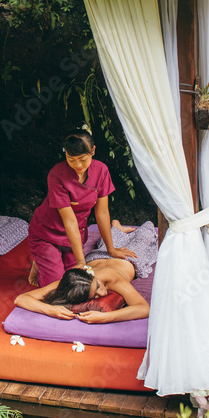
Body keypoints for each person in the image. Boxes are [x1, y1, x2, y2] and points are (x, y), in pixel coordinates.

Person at [27, 129, 136, 288]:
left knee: (77, 282)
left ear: (93, 151)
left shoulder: (101, 171)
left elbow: (102, 212)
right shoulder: (56, 175)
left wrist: (111, 249)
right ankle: (41, 259)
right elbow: (69, 220)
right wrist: (81, 261)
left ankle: (43, 262)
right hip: (46, 234)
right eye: (71, 159)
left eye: (82, 159)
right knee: (58, 286)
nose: (77, 165)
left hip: (74, 235)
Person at [14, 258, 149, 324]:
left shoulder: (114, 279)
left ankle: (116, 225)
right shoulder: (73, 281)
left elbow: (144, 308)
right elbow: (21, 298)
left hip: (129, 258)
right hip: (97, 256)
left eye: (98, 286)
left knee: (145, 233)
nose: (102, 294)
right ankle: (116, 226)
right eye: (94, 296)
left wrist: (105, 317)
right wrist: (51, 310)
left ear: (91, 275)